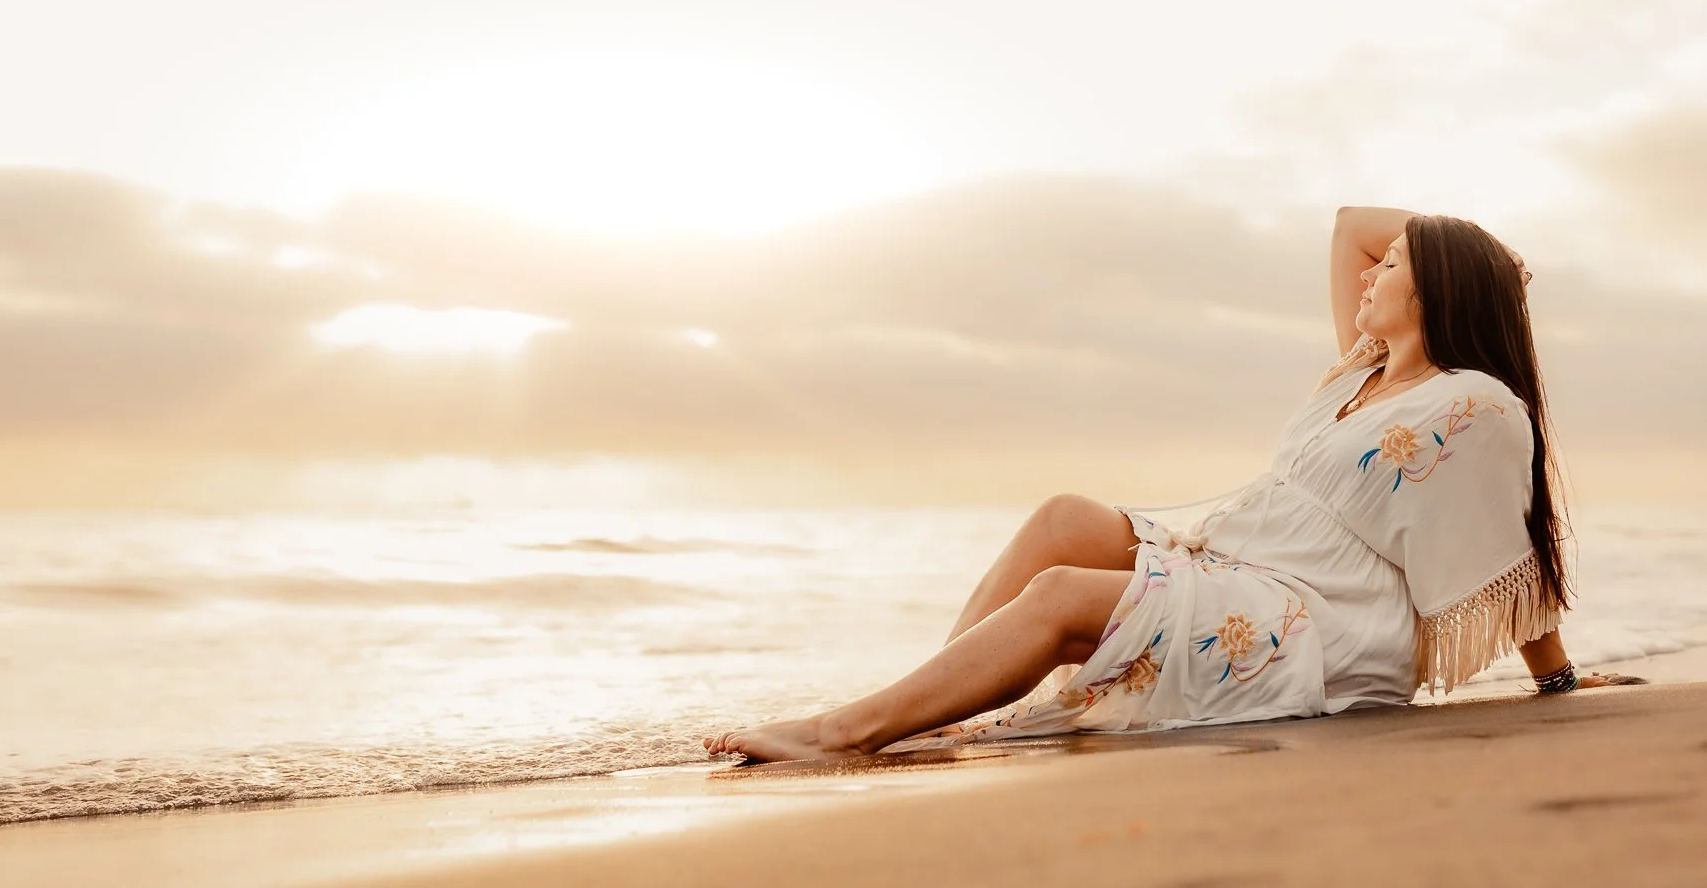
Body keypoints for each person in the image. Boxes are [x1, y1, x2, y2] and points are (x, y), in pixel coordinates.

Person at [702, 207, 1640, 764]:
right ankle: (926, 706)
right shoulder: (1365, 371)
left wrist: (1555, 675)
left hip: (1324, 616)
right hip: (1248, 558)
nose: (1370, 273)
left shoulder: (1473, 403)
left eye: (1395, 268)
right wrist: (1445, 249)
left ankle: (844, 730)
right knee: (1065, 517)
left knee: (1063, 595)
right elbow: (1352, 222)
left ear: (1434, 290)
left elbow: (1494, 540)